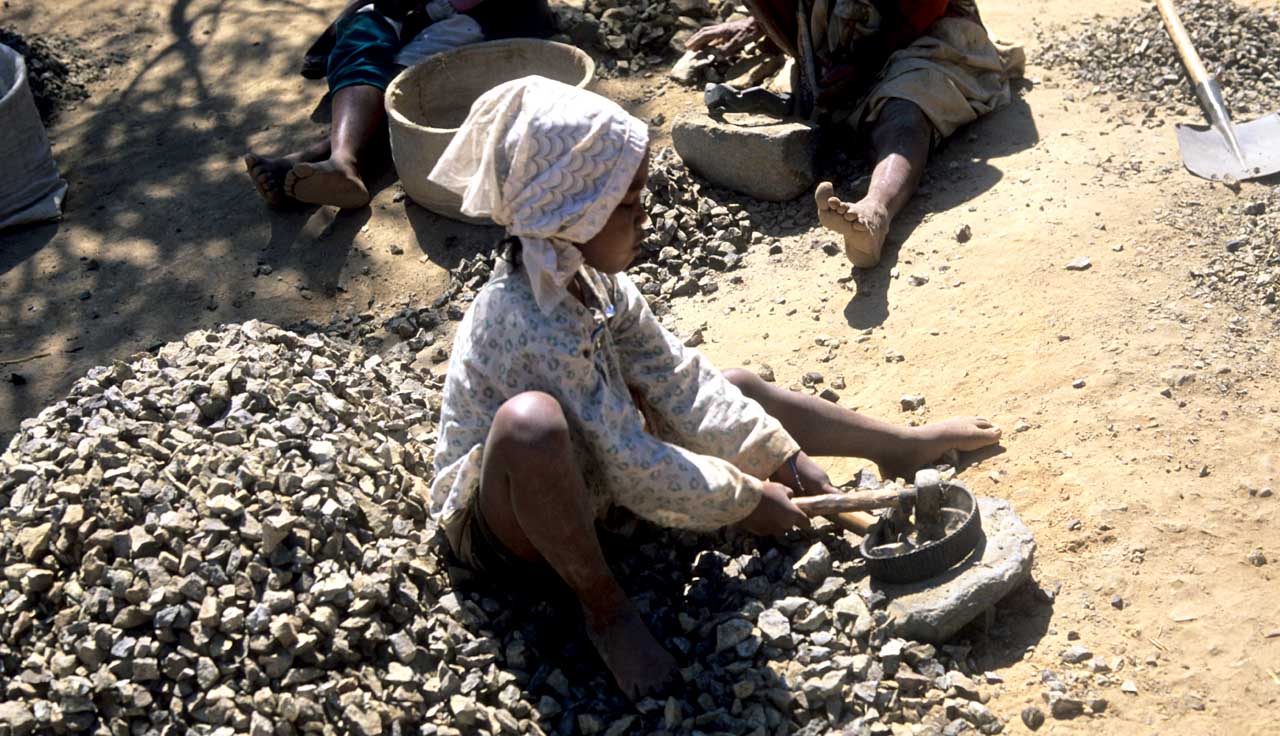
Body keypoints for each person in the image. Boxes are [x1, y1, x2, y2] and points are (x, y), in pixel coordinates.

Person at [426, 75, 1002, 699]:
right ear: (575, 211)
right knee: (531, 425)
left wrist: (783, 459)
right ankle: (604, 608)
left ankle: (895, 445)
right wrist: (744, 499)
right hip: (515, 524)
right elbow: (624, 458)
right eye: (627, 205)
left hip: (599, 473)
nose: (645, 218)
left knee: (737, 386)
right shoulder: (524, 317)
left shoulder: (594, 279)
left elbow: (682, 380)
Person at [687, 0, 1013, 268]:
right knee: (823, 102)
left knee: (904, 111)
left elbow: (925, 8)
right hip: (841, 48)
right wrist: (761, 23)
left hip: (925, 37)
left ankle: (874, 213)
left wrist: (865, 61)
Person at [244, 0, 554, 209]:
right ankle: (337, 161)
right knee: (363, 34)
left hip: (491, 15)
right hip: (413, 8)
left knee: (406, 80)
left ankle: (334, 157)